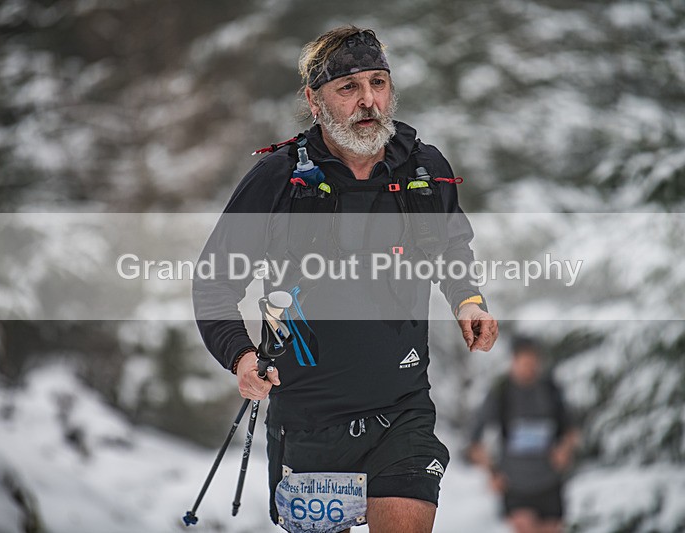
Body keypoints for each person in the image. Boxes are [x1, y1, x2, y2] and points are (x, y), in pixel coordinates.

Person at [193, 25, 498, 533]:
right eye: (348, 88)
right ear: (314, 100)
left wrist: (467, 299)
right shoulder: (279, 177)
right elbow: (214, 282)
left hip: (402, 412)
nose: (368, 100)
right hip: (309, 421)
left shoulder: (424, 169)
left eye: (378, 83)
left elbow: (450, 248)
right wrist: (241, 356)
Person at [467, 335, 579, 533]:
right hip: (515, 483)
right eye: (525, 363)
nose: (530, 368)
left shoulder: (550, 389)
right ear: (514, 361)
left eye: (534, 363)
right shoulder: (501, 392)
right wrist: (491, 472)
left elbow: (571, 429)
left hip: (549, 481)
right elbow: (474, 440)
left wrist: (564, 450)